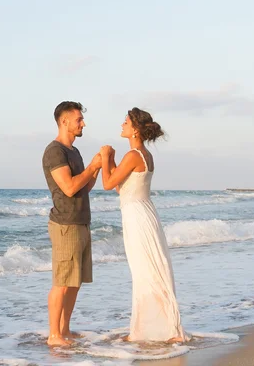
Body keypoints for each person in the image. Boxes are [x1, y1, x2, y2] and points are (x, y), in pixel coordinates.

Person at [99, 107, 187, 342]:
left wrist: (106, 158)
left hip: (137, 217)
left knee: (145, 272)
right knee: (149, 270)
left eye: (126, 122)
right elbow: (122, 188)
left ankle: (162, 330)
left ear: (135, 129)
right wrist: (113, 161)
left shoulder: (134, 155)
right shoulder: (143, 155)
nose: (122, 125)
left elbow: (107, 184)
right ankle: (154, 328)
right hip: (143, 213)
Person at [42, 101, 102, 347]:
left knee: (75, 282)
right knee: (62, 282)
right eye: (79, 119)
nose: (83, 123)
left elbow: (85, 186)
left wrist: (96, 168)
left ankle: (65, 330)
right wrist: (92, 167)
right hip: (65, 223)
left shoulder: (74, 152)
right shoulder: (55, 151)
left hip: (81, 221)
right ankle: (53, 335)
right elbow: (68, 187)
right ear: (64, 121)